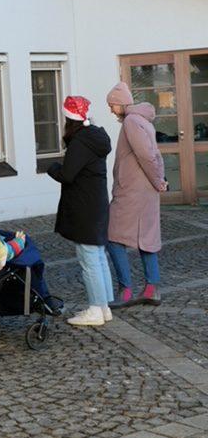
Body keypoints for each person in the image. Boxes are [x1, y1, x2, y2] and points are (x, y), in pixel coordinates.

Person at [48, 96, 114, 327]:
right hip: (97, 204)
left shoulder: (80, 142)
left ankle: (95, 309)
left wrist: (52, 167)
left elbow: (67, 175)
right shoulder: (95, 136)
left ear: (69, 119)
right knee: (98, 256)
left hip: (85, 208)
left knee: (89, 260)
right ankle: (104, 307)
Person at [106, 82, 167, 308]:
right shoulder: (142, 120)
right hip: (144, 190)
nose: (111, 110)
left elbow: (146, 155)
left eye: (112, 105)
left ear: (121, 103)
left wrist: (158, 180)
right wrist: (159, 180)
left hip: (132, 192)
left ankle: (126, 291)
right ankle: (151, 289)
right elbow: (155, 155)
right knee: (146, 239)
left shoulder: (131, 121)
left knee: (113, 238)